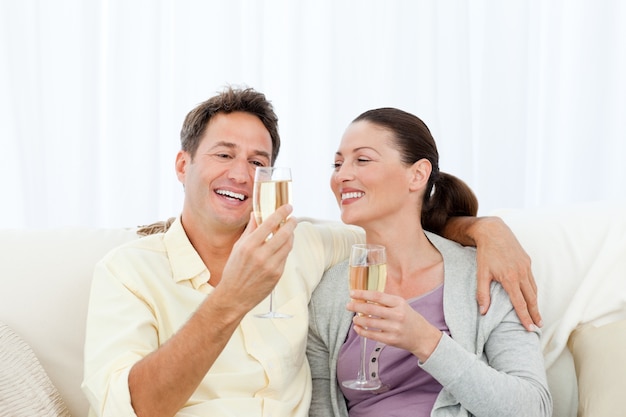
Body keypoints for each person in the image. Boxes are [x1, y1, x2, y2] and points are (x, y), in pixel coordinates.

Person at [82, 87, 541, 417]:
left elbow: (399, 231)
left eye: (258, 163)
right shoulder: (128, 272)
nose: (241, 174)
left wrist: (484, 229)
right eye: (224, 155)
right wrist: (231, 298)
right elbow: (130, 409)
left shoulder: (310, 246)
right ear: (184, 165)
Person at [307, 107, 552, 417]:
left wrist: (426, 341)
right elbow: (319, 408)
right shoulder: (326, 295)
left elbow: (533, 408)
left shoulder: (485, 276)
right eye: (337, 163)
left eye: (363, 160)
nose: (341, 175)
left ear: (417, 174)